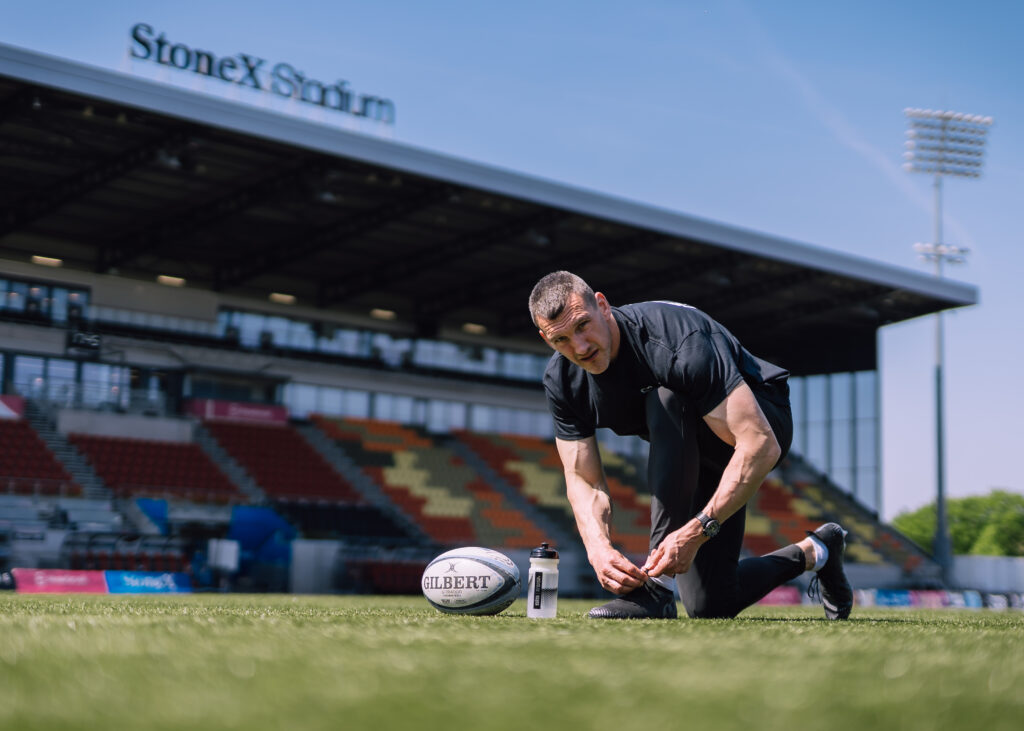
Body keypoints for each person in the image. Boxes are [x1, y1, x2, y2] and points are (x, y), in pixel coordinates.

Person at [529, 271, 853, 620]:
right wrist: (597, 547)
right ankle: (819, 550)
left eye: (582, 325)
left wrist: (699, 529)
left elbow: (760, 444)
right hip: (692, 448)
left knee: (666, 397)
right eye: (560, 339)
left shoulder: (676, 341)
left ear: (603, 306)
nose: (579, 347)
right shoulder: (562, 380)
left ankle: (655, 592)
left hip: (760, 425)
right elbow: (583, 479)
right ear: (545, 339)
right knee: (710, 604)